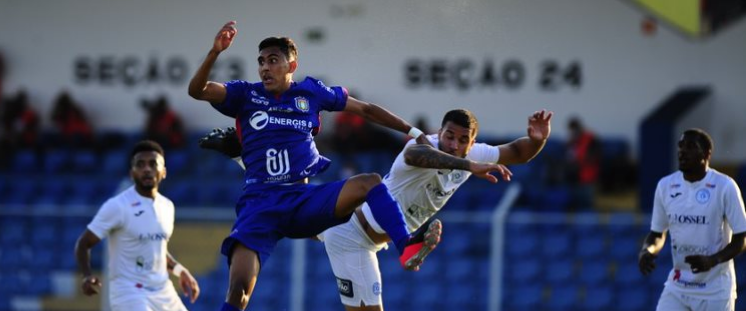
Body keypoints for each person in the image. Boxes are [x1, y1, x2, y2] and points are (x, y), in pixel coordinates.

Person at [188, 21, 495, 311]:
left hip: (300, 199)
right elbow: (197, 91)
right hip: (259, 205)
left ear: (291, 65)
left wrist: (414, 133)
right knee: (240, 291)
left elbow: (366, 109)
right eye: (261, 61)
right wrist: (215, 52)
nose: (265, 67)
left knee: (370, 182)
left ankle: (407, 246)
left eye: (273, 60)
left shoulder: (311, 93)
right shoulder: (246, 93)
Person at [201, 108, 548, 310]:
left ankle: (239, 154)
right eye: (449, 135)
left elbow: (517, 152)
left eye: (461, 140)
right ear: (439, 131)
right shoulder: (422, 145)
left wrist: (537, 139)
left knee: (291, 196)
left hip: (367, 241)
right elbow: (415, 156)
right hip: (350, 233)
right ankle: (241, 152)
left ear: (472, 143)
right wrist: (468, 167)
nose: (453, 143)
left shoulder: (474, 154)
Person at [74, 140, 200, 311]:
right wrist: (86, 276)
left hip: (163, 290)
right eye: (140, 165)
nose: (147, 169)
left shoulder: (167, 206)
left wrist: (180, 270)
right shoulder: (117, 206)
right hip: (129, 292)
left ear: (163, 172)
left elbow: (156, 249)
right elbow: (84, 243)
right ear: (131, 173)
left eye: (153, 164)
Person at [638, 128, 746, 311]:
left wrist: (712, 260)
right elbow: (657, 233)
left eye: (690, 146)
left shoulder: (725, 186)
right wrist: (648, 250)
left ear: (706, 154)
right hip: (679, 286)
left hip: (715, 290)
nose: (682, 151)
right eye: (680, 146)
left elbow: (741, 239)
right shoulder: (665, 186)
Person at [565, 116, 600, 210]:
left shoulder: (590, 139)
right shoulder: (572, 142)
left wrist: (580, 161)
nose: (573, 132)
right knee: (577, 203)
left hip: (588, 176)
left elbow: (594, 157)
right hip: (575, 178)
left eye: (574, 129)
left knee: (587, 203)